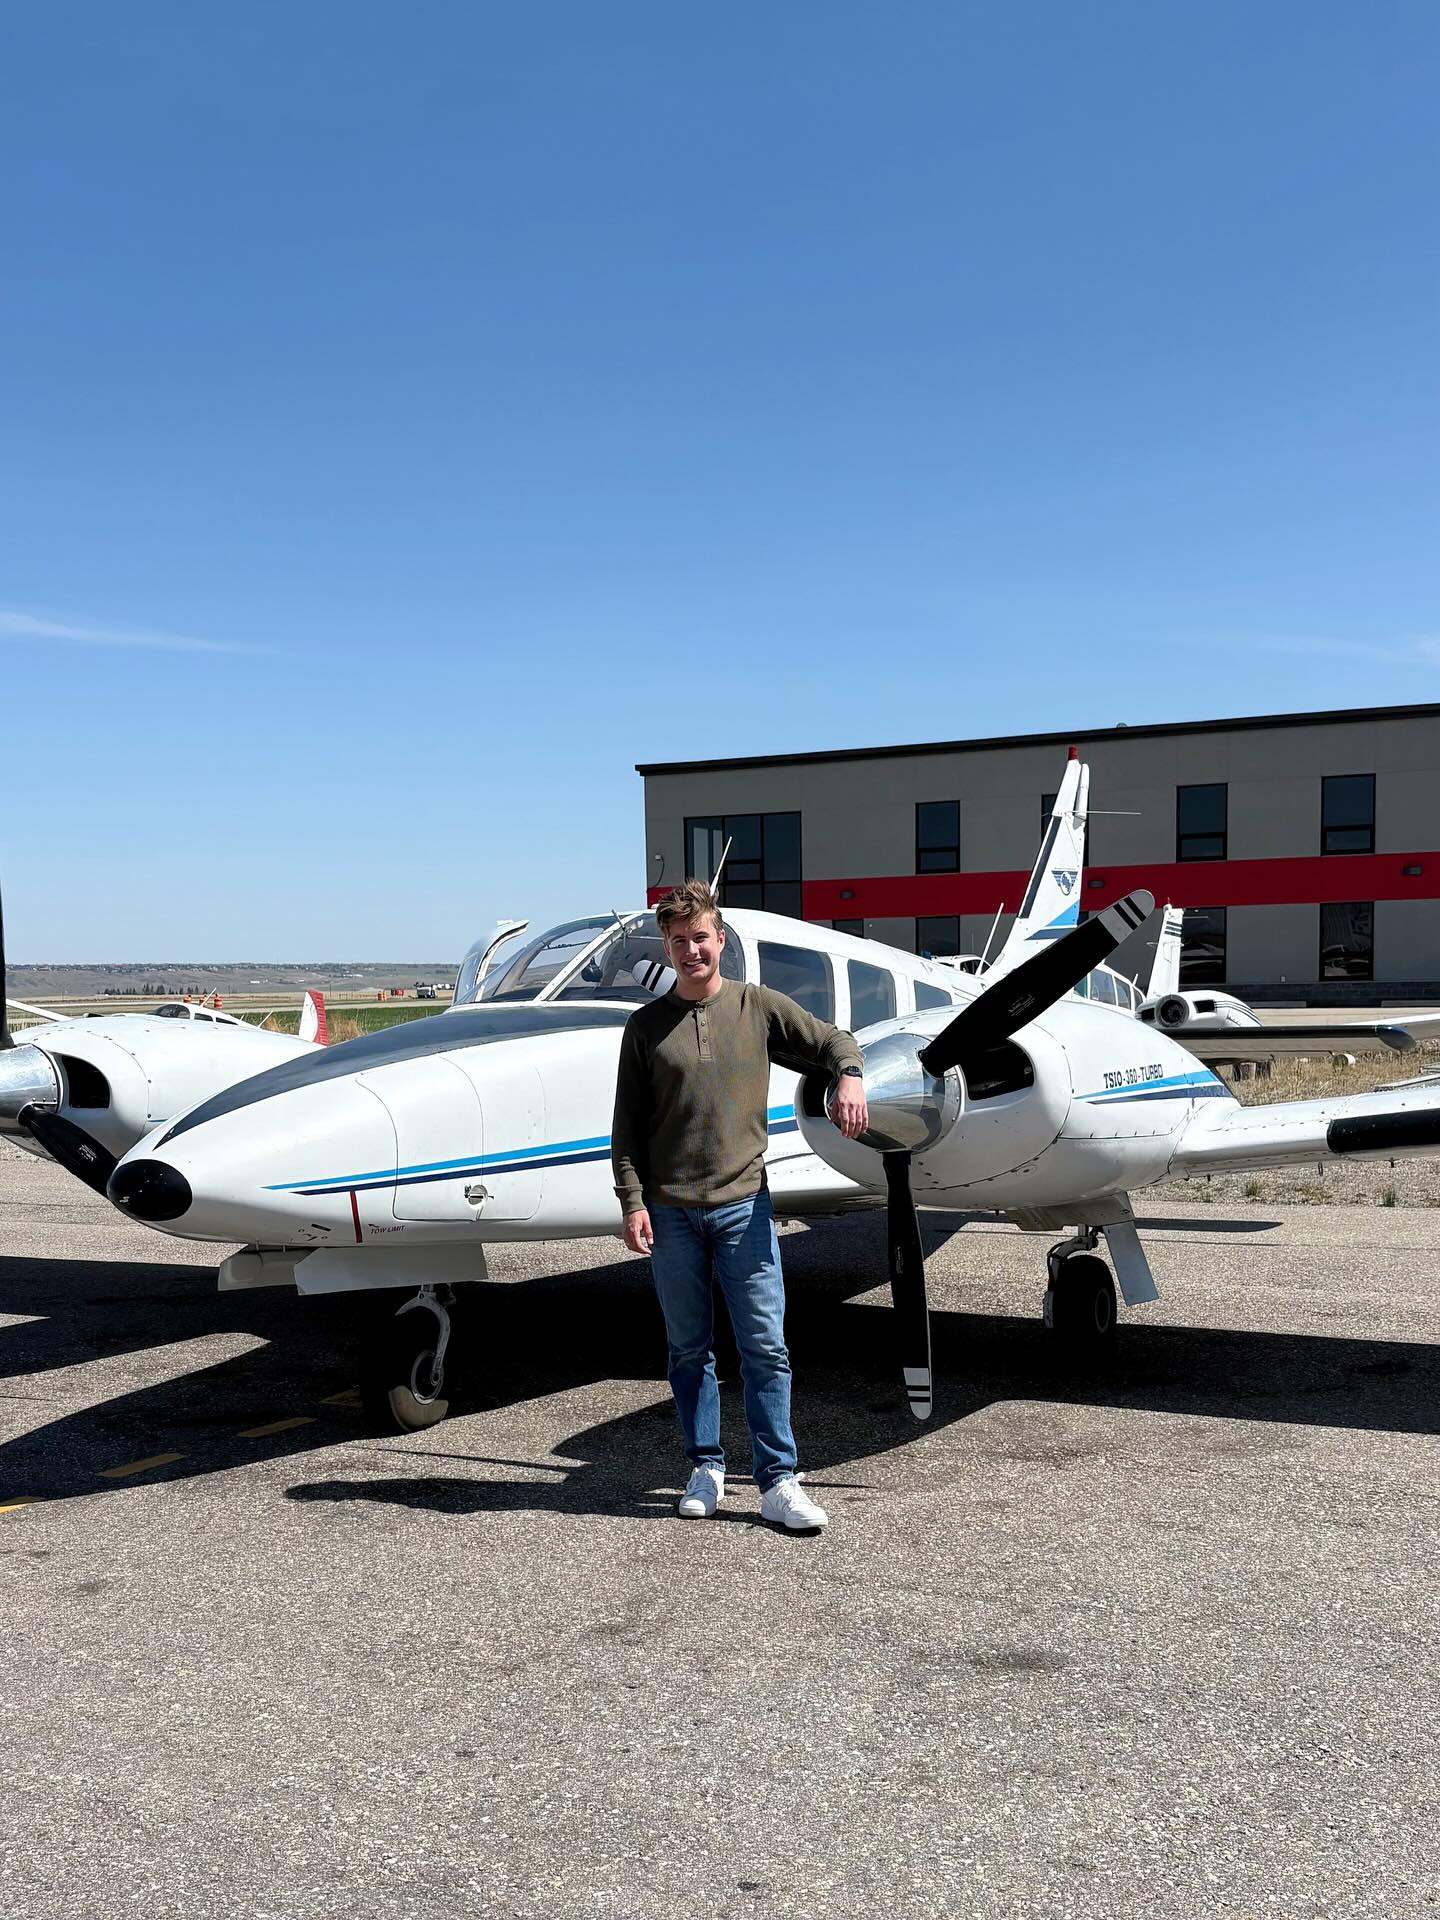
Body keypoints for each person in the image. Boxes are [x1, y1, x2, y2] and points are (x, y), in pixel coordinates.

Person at [610, 880, 868, 1531]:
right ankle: (706, 1468)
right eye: (678, 941)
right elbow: (627, 1128)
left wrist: (851, 1077)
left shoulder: (759, 1008)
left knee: (765, 1348)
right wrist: (632, 1200)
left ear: (719, 940)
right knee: (688, 1350)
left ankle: (779, 1480)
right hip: (670, 1214)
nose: (691, 949)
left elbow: (833, 1040)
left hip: (743, 1212)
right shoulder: (644, 1029)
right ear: (668, 950)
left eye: (700, 937)